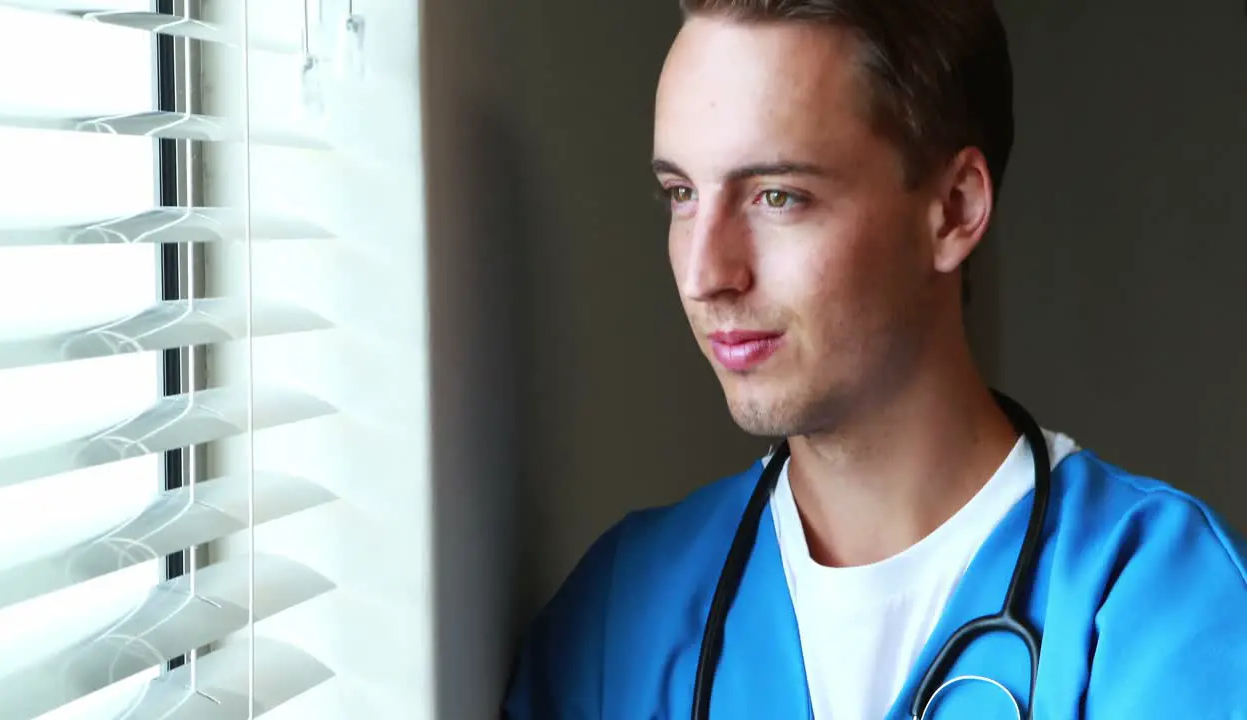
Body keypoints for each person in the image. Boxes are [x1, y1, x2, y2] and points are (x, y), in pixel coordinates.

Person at [502, 1, 1247, 718]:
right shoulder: (619, 620)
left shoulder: (1152, 607)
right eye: (682, 193)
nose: (706, 274)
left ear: (954, 209)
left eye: (777, 197)